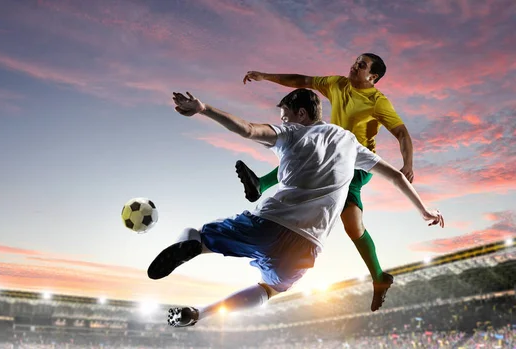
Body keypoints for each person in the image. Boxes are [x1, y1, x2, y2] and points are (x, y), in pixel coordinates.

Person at [147, 89, 444, 328]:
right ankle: (200, 314)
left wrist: (203, 109)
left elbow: (248, 129)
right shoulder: (350, 142)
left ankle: (192, 246)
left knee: (197, 236)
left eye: (284, 115)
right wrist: (424, 211)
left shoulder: (291, 133)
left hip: (269, 223)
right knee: (269, 290)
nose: (282, 120)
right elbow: (396, 176)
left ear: (300, 113)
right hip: (307, 247)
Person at [238, 53, 413, 311]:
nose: (354, 66)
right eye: (355, 61)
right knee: (308, 156)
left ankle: (379, 278)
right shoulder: (337, 84)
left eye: (361, 65)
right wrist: (265, 76)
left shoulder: (378, 102)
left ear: (372, 77)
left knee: (348, 218)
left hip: (357, 162)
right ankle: (260, 185)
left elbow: (402, 133)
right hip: (334, 151)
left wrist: (407, 164)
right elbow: (302, 80)